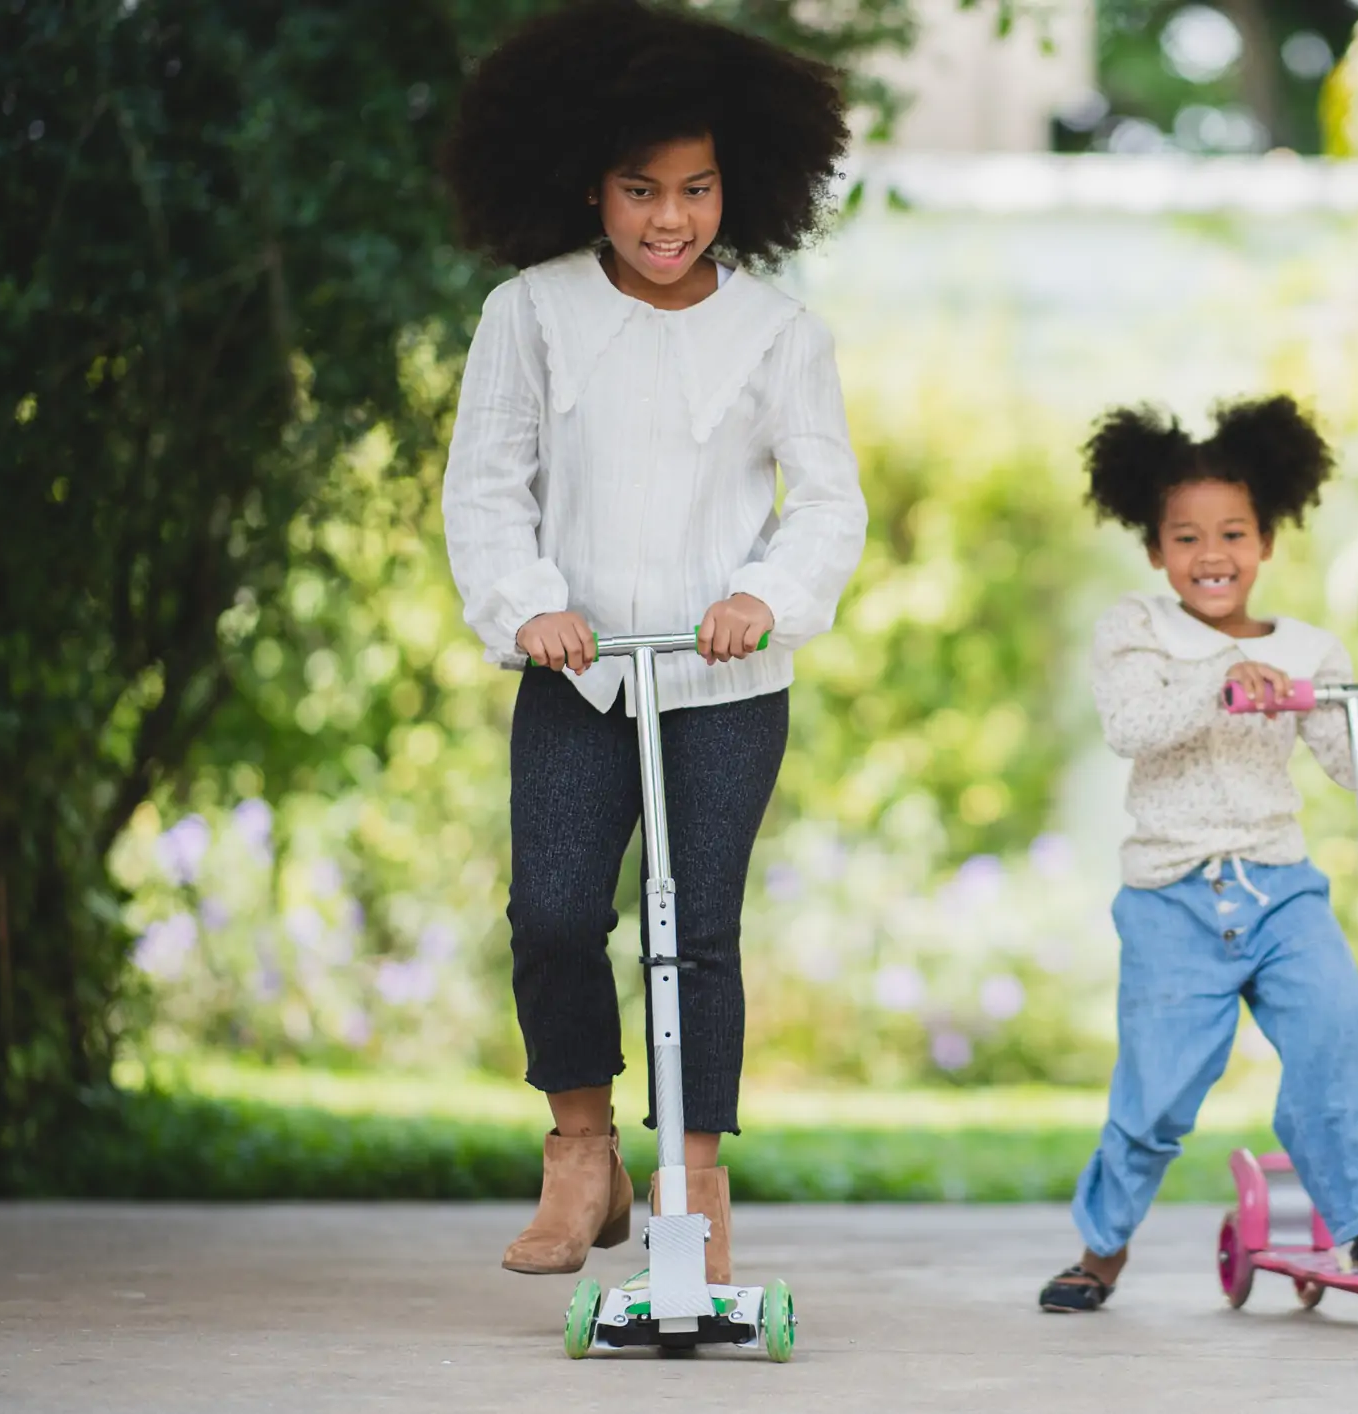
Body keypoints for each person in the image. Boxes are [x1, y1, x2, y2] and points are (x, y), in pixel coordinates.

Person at [438, 1, 865, 1278]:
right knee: (559, 915)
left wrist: (765, 596)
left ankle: (695, 1171)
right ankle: (583, 1150)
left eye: (695, 188)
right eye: (640, 190)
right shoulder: (533, 313)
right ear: (591, 184)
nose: (669, 218)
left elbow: (829, 501)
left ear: (741, 182)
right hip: (582, 673)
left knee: (696, 927)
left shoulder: (779, 333)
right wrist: (527, 603)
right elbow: (484, 486)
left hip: (724, 676)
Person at [1038, 397, 1358, 1312]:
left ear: (1267, 539)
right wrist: (1221, 683)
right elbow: (1131, 725)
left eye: (1232, 533)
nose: (1211, 555)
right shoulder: (1138, 630)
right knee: (1155, 1100)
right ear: (1154, 550)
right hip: (1171, 901)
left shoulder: (1309, 649)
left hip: (1280, 893)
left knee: (1342, 1052)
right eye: (1185, 538)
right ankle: (1101, 1247)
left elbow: (1354, 766)